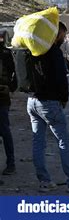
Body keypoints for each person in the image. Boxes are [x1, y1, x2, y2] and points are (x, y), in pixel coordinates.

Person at [26, 22, 69, 193]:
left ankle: (44, 181)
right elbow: (61, 78)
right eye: (62, 34)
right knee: (64, 141)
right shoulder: (54, 51)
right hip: (49, 103)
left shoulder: (34, 49)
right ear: (55, 34)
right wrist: (64, 98)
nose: (64, 37)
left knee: (38, 142)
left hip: (32, 101)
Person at [0, 30, 17, 177]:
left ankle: (11, 163)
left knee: (5, 130)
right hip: (4, 95)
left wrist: (10, 87)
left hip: (2, 96)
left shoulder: (5, 53)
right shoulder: (5, 52)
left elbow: (14, 72)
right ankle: (10, 163)